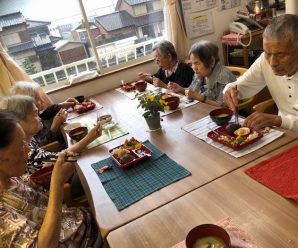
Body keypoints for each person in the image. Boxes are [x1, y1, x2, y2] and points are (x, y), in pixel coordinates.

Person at [0, 110, 99, 247]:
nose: (28, 150)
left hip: (82, 222)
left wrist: (59, 166)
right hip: (88, 240)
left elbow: (36, 181)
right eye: (21, 146)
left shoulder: (11, 179)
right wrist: (57, 184)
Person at [0, 95, 102, 196]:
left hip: (58, 173)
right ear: (20, 122)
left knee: (90, 156)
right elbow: (62, 158)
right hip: (65, 182)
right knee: (93, 165)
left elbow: (55, 159)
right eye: (35, 114)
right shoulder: (25, 152)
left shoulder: (30, 140)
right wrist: (89, 138)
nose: (39, 117)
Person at [223, 14, 298, 132]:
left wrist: (278, 120)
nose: (272, 63)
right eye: (268, 53)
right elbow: (241, 87)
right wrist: (230, 90)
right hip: (285, 135)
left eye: (280, 54)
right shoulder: (265, 61)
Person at [10, 81, 78, 147]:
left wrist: (61, 105)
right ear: (28, 103)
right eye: (38, 99)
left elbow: (45, 115)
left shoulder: (34, 117)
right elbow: (43, 147)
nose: (43, 101)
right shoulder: (26, 126)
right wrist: (54, 127)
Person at [168, 40, 236, 106]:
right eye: (192, 63)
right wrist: (181, 89)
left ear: (212, 61)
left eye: (197, 63)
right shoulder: (200, 73)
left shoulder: (224, 75)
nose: (194, 68)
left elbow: (223, 106)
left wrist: (199, 98)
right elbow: (193, 92)